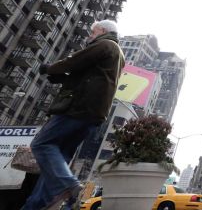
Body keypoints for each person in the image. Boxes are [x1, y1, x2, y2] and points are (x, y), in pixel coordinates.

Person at [22, 20, 125, 210]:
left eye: (93, 32)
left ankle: (68, 184)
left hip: (78, 108)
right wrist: (63, 78)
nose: (90, 36)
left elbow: (74, 61)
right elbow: (88, 76)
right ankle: (39, 203)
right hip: (93, 114)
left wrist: (50, 68)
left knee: (41, 144)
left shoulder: (106, 44)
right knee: (60, 156)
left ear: (103, 30)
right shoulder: (117, 55)